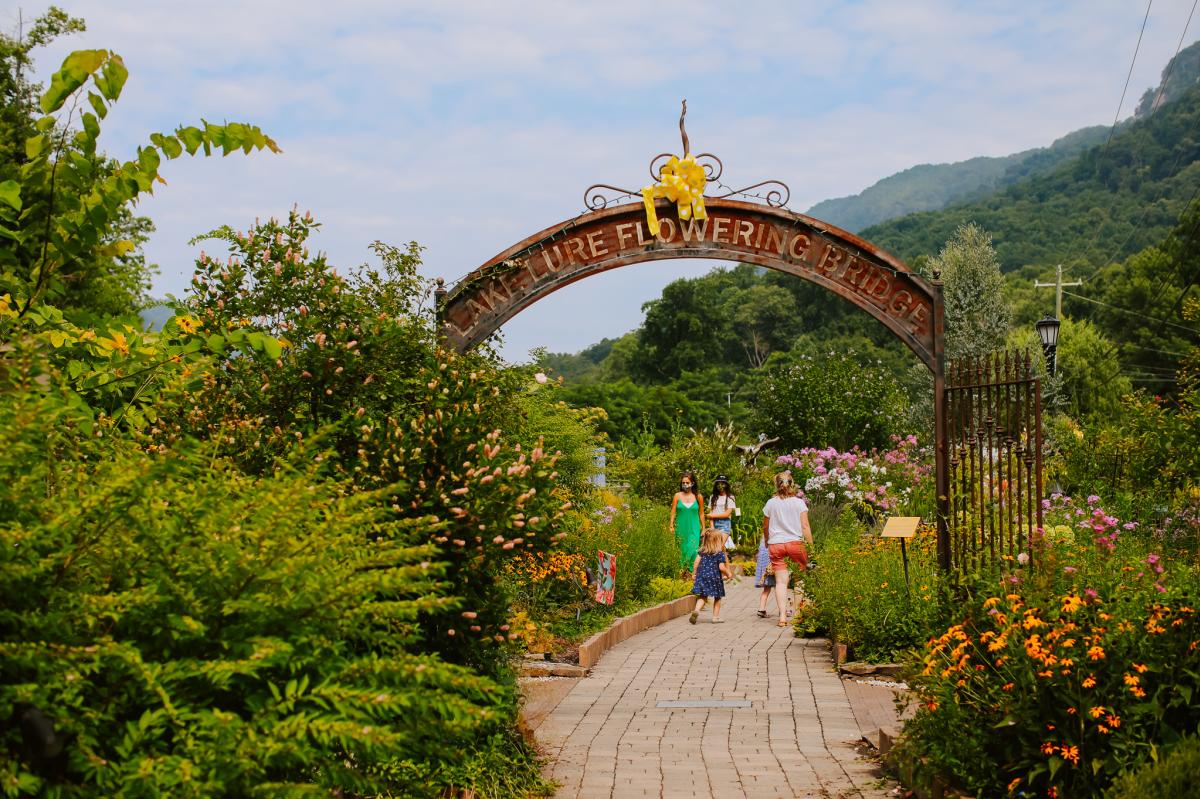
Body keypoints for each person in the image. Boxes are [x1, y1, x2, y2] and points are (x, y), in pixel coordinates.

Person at [762, 470, 813, 627]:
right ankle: (797, 615)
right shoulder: (799, 503)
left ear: (777, 485)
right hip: (796, 544)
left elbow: (766, 526)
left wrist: (767, 541)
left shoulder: (771, 503)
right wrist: (811, 546)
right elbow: (805, 526)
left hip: (776, 544)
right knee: (799, 579)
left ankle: (783, 617)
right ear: (792, 485)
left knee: (781, 582)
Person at [689, 527, 730, 624]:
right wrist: (728, 573)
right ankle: (715, 617)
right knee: (718, 597)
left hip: (702, 576)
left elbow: (696, 562)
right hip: (714, 578)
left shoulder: (702, 552)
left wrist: (694, 573)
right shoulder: (719, 554)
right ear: (718, 541)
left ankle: (696, 611)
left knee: (703, 596)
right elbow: (721, 567)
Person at [669, 471, 705, 575]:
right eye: (683, 483)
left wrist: (703, 528)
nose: (685, 484)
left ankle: (692, 575)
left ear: (692, 483)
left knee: (693, 550)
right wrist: (671, 525)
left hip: (694, 528)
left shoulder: (698, 497)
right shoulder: (677, 496)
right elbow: (673, 511)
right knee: (681, 551)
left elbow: (701, 513)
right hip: (681, 528)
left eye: (687, 482)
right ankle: (682, 576)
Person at [707, 475, 738, 549]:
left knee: (718, 546)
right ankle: (726, 560)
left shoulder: (730, 497)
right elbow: (711, 512)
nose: (720, 485)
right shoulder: (713, 497)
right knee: (721, 548)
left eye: (723, 483)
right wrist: (711, 526)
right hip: (714, 524)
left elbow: (727, 514)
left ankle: (720, 560)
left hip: (725, 524)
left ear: (726, 485)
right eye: (718, 483)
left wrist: (712, 516)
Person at [753, 538, 776, 618]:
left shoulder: (763, 540)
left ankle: (761, 609)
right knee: (780, 588)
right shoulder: (775, 535)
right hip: (774, 565)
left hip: (766, 568)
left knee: (766, 589)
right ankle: (782, 610)